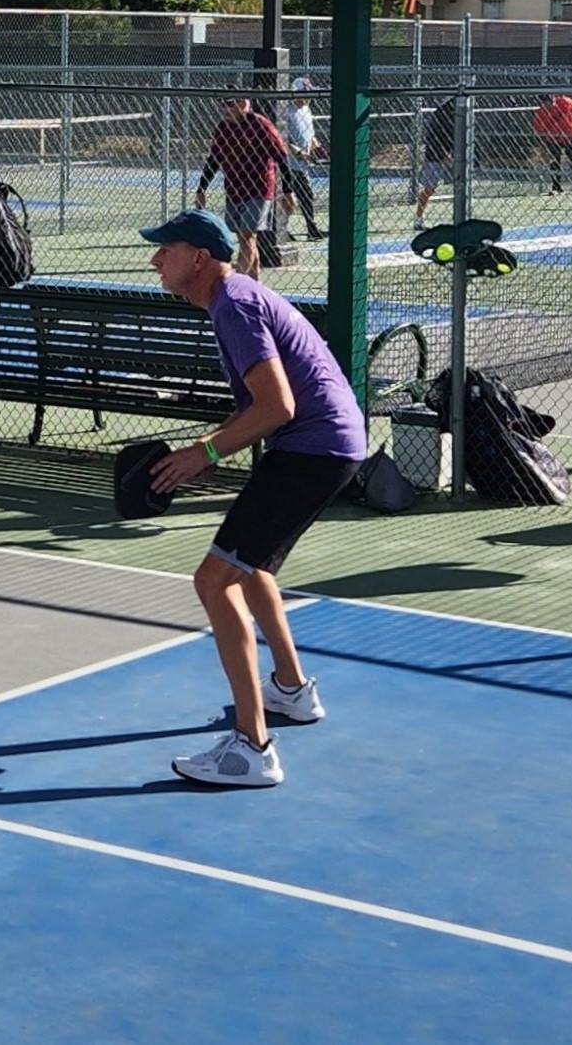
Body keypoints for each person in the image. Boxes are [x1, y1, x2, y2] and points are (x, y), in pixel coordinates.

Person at [136, 209, 368, 788]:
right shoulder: (233, 298)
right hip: (326, 447)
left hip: (312, 450)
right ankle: (290, 690)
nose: (155, 260)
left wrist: (203, 454)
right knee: (251, 566)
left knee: (213, 581)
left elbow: (277, 408)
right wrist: (212, 448)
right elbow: (257, 409)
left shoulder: (235, 305)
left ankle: (251, 747)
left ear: (198, 258)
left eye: (166, 249)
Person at [195, 95, 292, 276]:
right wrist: (201, 189)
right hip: (234, 191)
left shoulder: (260, 125)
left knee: (247, 236)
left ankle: (234, 283)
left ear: (244, 104)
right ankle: (254, 286)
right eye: (223, 106)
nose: (225, 110)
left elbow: (282, 157)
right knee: (246, 239)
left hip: (259, 190)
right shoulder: (223, 128)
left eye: (230, 105)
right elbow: (213, 160)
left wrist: (288, 190)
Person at [275, 77, 327, 241]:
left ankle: (311, 228)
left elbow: (310, 134)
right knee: (287, 197)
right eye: (305, 93)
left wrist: (317, 148)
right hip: (288, 163)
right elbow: (282, 138)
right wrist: (298, 153)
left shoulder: (306, 109)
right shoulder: (286, 111)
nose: (308, 96)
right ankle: (282, 230)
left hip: (302, 164)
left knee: (306, 195)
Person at [532, 92, 572, 195]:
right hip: (553, 139)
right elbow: (539, 131)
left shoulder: (565, 101)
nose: (551, 104)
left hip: (571, 136)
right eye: (548, 102)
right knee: (554, 163)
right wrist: (543, 147)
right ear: (543, 103)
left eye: (552, 100)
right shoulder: (541, 113)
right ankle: (556, 187)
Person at [413, 97, 459, 227]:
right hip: (436, 156)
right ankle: (418, 219)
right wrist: (443, 154)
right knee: (429, 188)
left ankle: (461, 218)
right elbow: (434, 138)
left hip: (453, 155)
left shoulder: (458, 115)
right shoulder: (441, 115)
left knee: (461, 185)